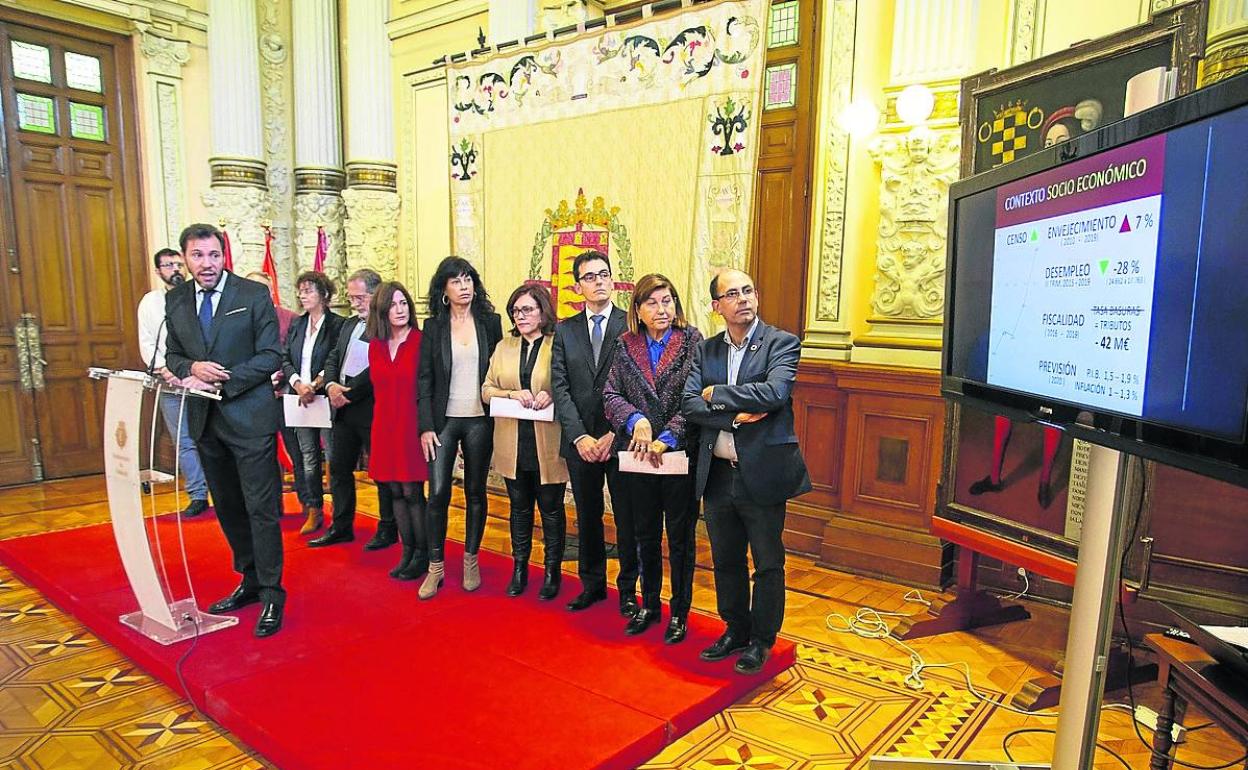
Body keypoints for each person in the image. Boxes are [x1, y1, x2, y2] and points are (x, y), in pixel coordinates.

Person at [682, 268, 810, 673]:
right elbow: (689, 404)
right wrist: (735, 417)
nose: (744, 299)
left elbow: (774, 394)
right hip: (718, 473)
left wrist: (717, 395)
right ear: (716, 305)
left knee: (767, 561)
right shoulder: (706, 351)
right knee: (725, 558)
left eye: (749, 290)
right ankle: (735, 628)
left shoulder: (781, 342)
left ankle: (761, 639)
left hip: (762, 472)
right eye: (733, 294)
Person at [163, 223, 286, 638]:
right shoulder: (176, 299)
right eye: (197, 256)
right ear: (186, 258)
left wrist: (224, 378)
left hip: (249, 419)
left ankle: (272, 591)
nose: (207, 264)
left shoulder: (251, 295)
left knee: (261, 508)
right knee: (229, 508)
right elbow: (174, 355)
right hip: (205, 421)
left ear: (223, 255)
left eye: (213, 255)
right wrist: (191, 369)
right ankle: (249, 579)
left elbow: (272, 354)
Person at [601, 274, 703, 643]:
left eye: (668, 300)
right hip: (638, 457)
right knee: (644, 534)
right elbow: (610, 394)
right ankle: (649, 604)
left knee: (679, 539)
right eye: (653, 303)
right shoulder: (625, 343)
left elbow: (694, 399)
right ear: (638, 310)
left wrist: (667, 435)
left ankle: (680, 612)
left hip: (677, 456)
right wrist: (635, 419)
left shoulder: (692, 341)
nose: (662, 309)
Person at [551, 251, 638, 616]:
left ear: (613, 279)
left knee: (626, 517)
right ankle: (592, 585)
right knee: (587, 515)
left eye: (604, 274)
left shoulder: (632, 326)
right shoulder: (565, 330)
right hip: (581, 443)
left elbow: (637, 388)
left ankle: (629, 590)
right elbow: (560, 387)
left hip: (621, 441)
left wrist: (612, 436)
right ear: (577, 286)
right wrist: (580, 437)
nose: (599, 281)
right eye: (590, 276)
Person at [417, 256, 503, 598]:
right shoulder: (433, 327)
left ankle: (471, 560)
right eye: (456, 281)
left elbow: (499, 369)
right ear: (444, 288)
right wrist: (425, 425)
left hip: (479, 419)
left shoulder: (490, 321)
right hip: (443, 421)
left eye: (468, 279)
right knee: (437, 492)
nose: (464, 286)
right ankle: (435, 567)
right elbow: (424, 379)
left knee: (476, 492)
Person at [482, 285, 569, 599]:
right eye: (516, 311)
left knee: (550, 509)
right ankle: (520, 567)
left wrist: (553, 394)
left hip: (547, 442)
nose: (521, 316)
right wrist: (510, 394)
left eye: (528, 309)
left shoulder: (558, 344)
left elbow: (571, 387)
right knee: (518, 509)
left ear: (543, 311)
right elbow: (487, 390)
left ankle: (552, 571)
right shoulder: (504, 346)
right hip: (512, 441)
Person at [308, 269, 401, 558]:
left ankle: (388, 527)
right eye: (351, 298)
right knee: (338, 469)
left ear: (376, 295)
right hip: (342, 409)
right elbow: (334, 356)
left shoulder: (388, 326)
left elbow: (380, 369)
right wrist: (333, 385)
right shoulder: (349, 324)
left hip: (372, 409)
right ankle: (341, 524)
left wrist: (348, 393)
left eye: (359, 297)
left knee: (382, 471)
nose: (355, 303)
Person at [367, 282, 431, 592]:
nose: (401, 309)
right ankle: (406, 550)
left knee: (412, 491)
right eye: (393, 305)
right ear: (382, 310)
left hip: (412, 426)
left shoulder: (421, 341)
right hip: (384, 426)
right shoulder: (375, 345)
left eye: (404, 303)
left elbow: (427, 388)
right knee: (392, 491)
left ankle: (423, 554)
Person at [137, 247, 209, 517]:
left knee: (209, 437)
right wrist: (165, 370)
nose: (175, 269)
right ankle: (198, 494)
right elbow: (147, 341)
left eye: (179, 264)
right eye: (168, 265)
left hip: (200, 381)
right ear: (158, 271)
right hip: (168, 382)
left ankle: (221, 489)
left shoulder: (197, 296)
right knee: (184, 439)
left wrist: (193, 372)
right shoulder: (151, 302)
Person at [280, 271, 345, 535]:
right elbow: (286, 358)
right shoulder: (297, 324)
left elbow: (335, 357)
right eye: (301, 291)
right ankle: (314, 509)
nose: (302, 296)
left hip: (324, 398)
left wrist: (315, 385)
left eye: (308, 291)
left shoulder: (337, 324)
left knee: (333, 456)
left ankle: (340, 513)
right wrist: (297, 383)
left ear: (324, 295)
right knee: (307, 456)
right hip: (300, 399)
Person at [247, 270, 304, 505]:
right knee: (261, 454)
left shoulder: (290, 318)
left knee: (298, 451)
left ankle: (308, 503)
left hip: (286, 394)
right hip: (253, 397)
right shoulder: (238, 320)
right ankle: (272, 505)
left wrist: (280, 375)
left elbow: (296, 354)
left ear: (271, 292)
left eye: (263, 289)